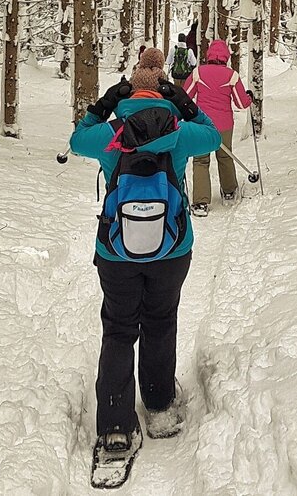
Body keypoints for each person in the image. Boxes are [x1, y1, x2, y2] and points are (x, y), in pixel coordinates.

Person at [69, 48, 221, 474]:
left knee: (119, 329)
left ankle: (115, 427)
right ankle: (158, 405)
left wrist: (101, 106)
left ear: (130, 89)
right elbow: (212, 136)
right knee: (160, 319)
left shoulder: (110, 131)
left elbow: (77, 140)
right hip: (172, 248)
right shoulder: (179, 128)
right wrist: (184, 102)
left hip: (115, 250)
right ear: (161, 91)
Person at [183, 39, 253, 215]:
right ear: (226, 57)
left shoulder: (198, 72)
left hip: (201, 125)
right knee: (225, 156)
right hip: (224, 125)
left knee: (200, 160)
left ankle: (200, 203)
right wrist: (248, 97)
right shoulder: (231, 75)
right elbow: (240, 103)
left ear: (209, 55)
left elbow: (184, 97)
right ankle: (229, 192)